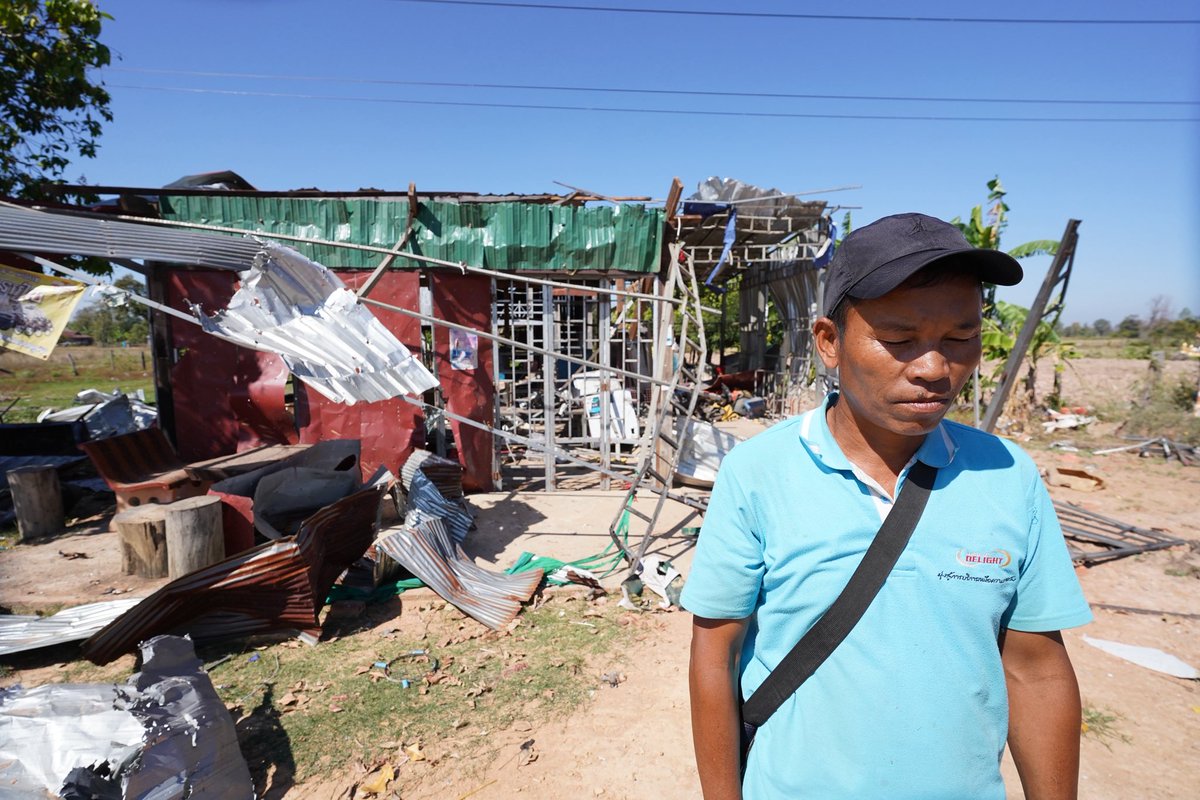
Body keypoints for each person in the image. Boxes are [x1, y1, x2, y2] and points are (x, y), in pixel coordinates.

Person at [682, 212, 1092, 800]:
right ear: (829, 342)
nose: (933, 368)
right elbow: (714, 655)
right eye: (899, 340)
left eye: (960, 337)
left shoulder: (1007, 477)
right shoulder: (758, 475)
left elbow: (1036, 669)